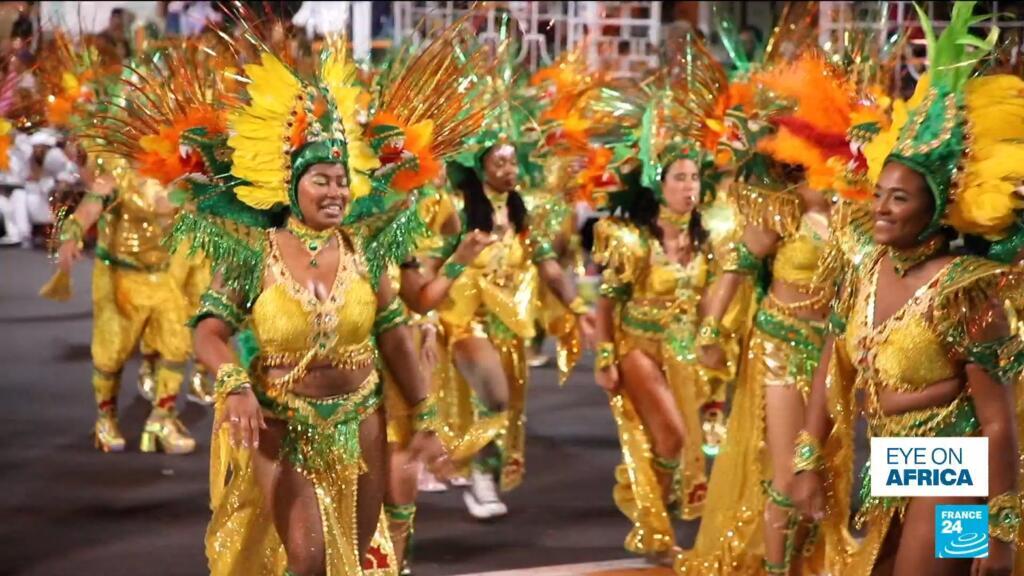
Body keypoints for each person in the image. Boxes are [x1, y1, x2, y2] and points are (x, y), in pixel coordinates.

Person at [792, 5, 1024, 574]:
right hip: (894, 455)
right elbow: (833, 364)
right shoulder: (865, 267)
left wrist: (1002, 533)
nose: (881, 208)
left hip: (958, 464)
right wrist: (806, 459)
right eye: (880, 194)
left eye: (900, 198)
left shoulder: (964, 291)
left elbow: (997, 421)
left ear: (936, 210)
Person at [679, 51, 880, 574]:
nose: (832, 172)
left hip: (835, 353)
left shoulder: (858, 220)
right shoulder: (783, 210)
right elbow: (737, 267)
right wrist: (710, 327)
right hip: (781, 345)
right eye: (822, 161)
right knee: (791, 473)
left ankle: (809, 563)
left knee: (827, 473)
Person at [51, 157, 195, 454]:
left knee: (177, 346)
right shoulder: (117, 171)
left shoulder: (179, 168)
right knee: (111, 354)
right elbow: (90, 206)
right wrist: (73, 234)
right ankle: (106, 419)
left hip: (163, 274)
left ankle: (162, 420)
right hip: (121, 276)